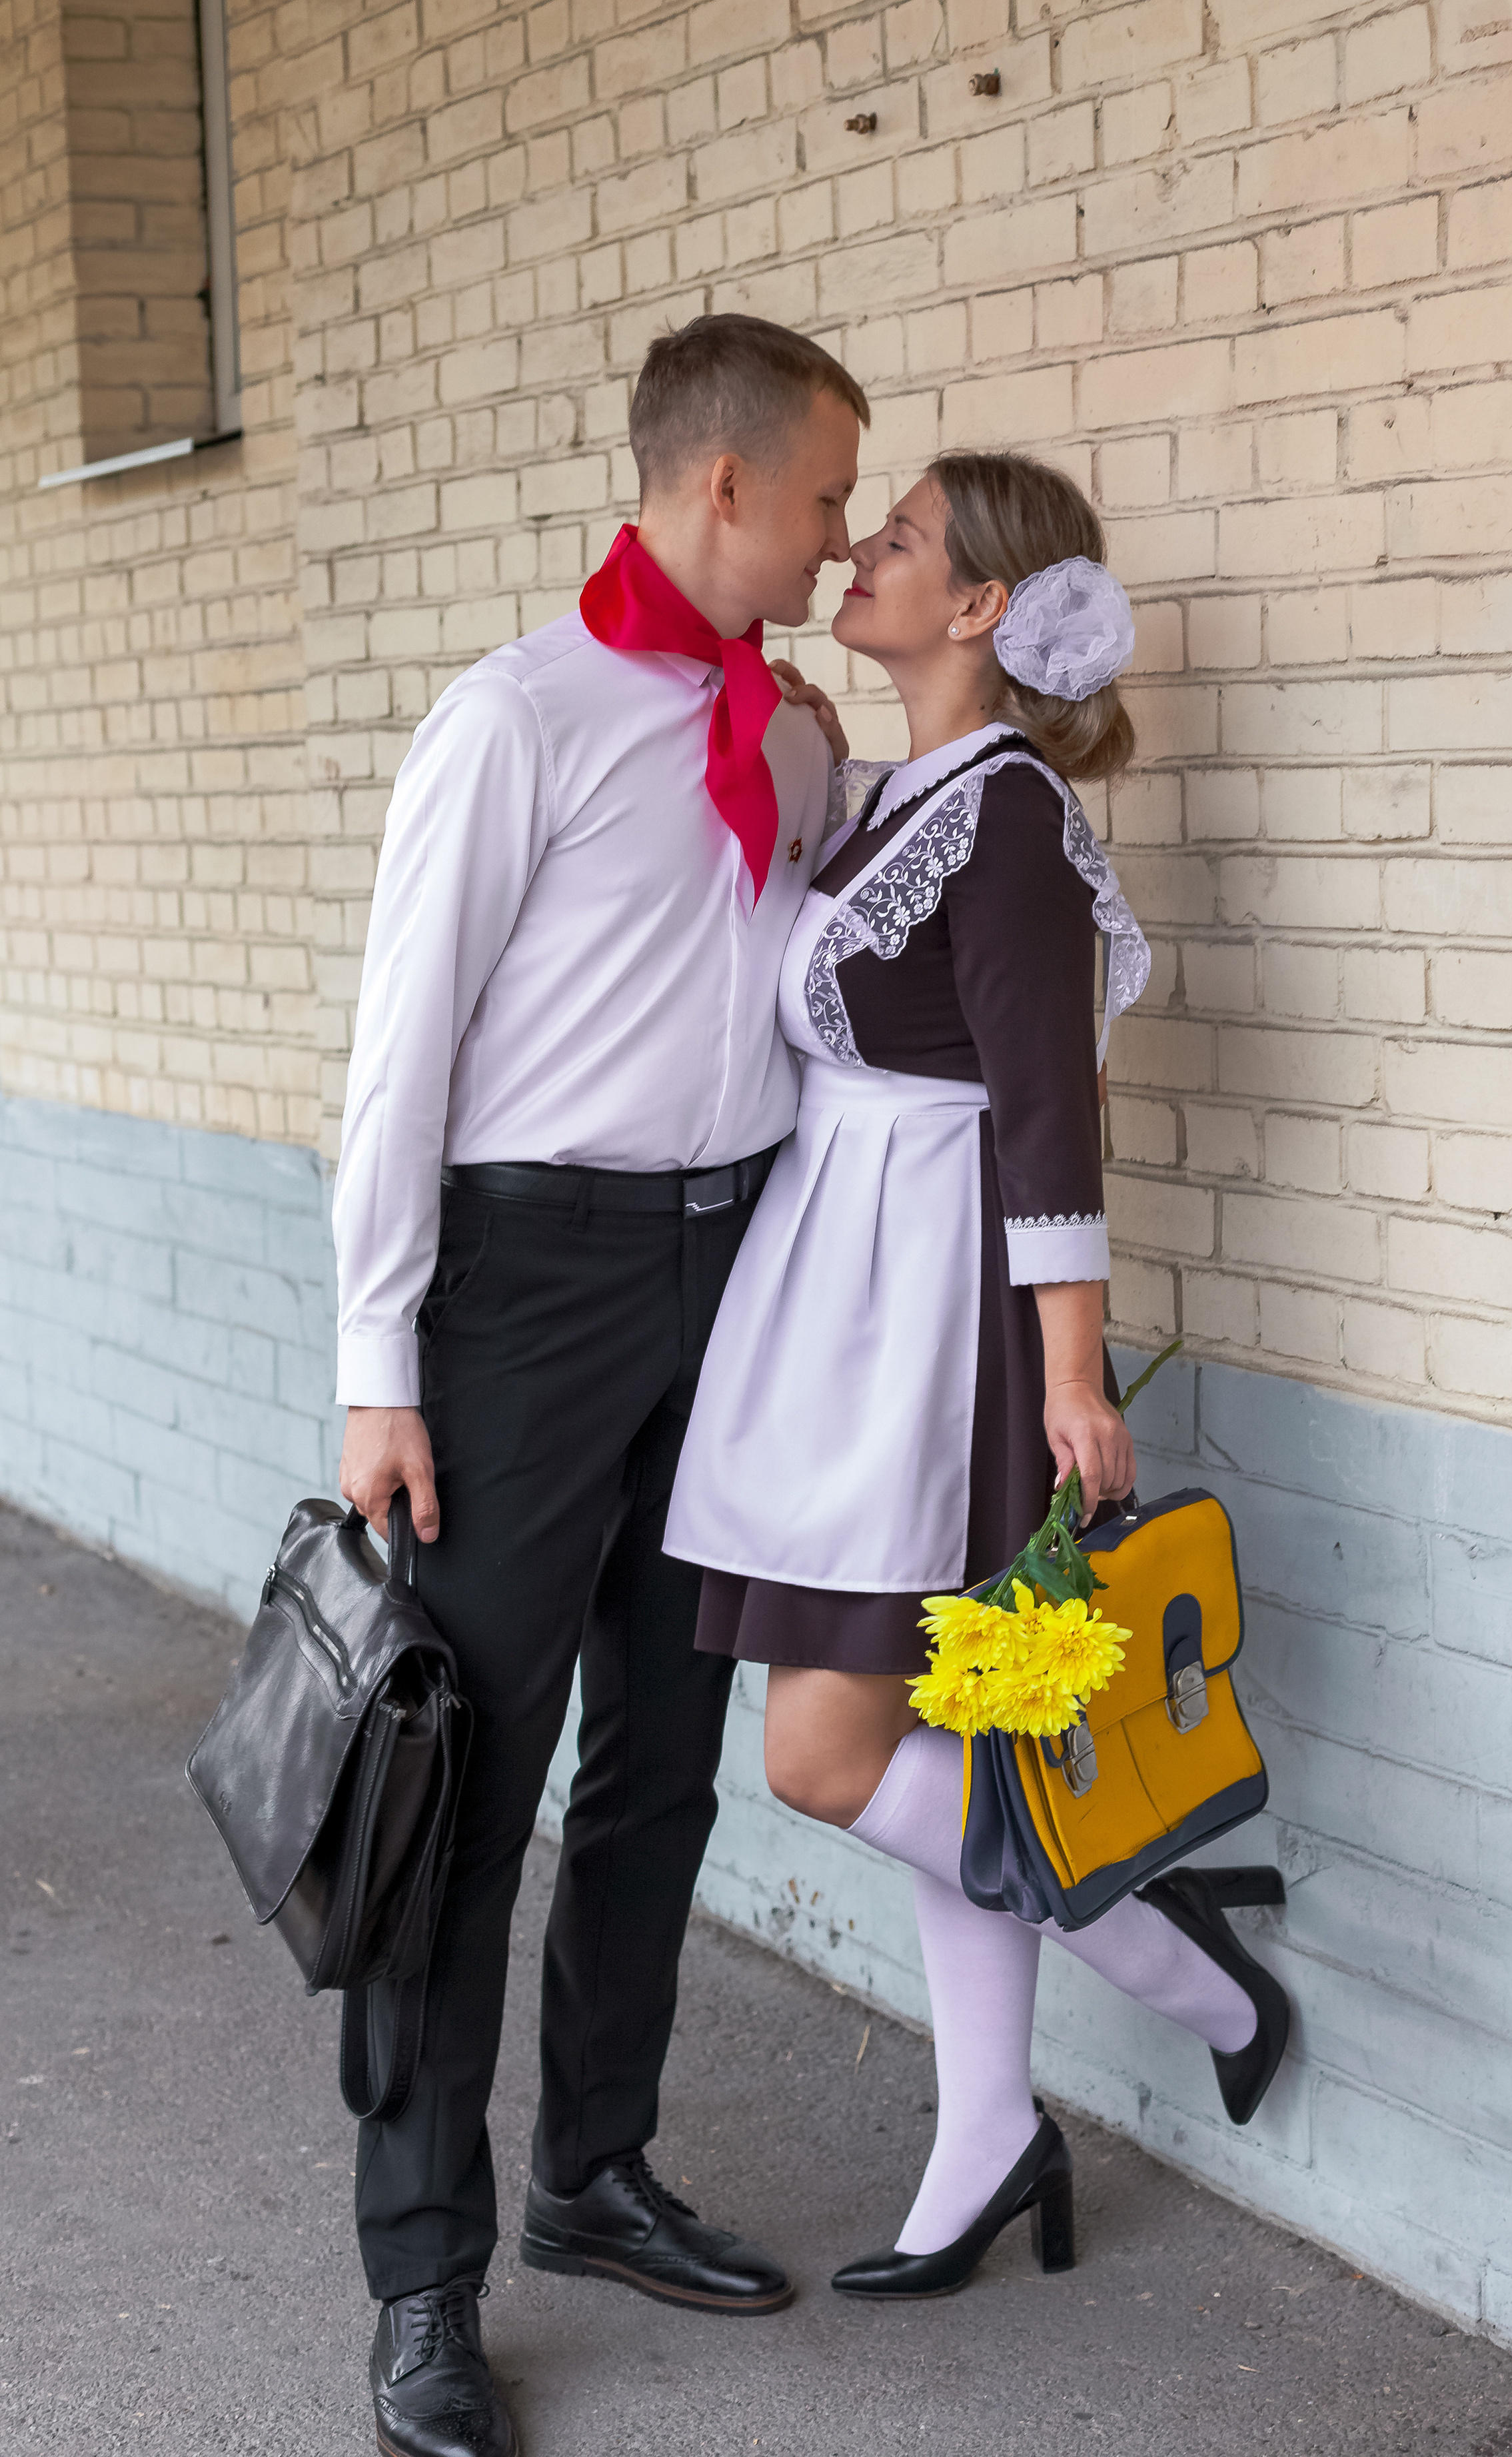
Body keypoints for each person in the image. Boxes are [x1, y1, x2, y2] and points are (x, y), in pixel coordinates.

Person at [664, 450, 1291, 2298]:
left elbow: (1047, 1112)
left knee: (828, 1753)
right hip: (840, 1299)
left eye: (903, 535)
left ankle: (1177, 1961)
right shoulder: (895, 793)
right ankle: (990, 2128)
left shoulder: (1004, 817)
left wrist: (1073, 1378)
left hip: (935, 1316)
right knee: (939, 1740)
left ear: (980, 611)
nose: (860, 550)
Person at [332, 312, 867, 2457]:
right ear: (720, 484)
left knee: (663, 1760)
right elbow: (402, 1056)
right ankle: (423, 2279)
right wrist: (381, 1361)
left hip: (728, 1269)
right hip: (527, 1294)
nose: (840, 535)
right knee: (459, 1790)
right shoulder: (515, 722)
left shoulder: (792, 740)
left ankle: (595, 2172)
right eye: (828, 495)